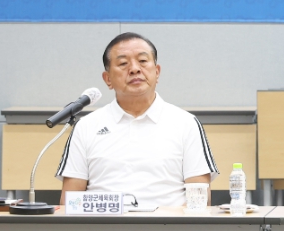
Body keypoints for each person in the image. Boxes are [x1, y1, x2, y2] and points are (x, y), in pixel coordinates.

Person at [57, 32, 219, 207]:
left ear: (157, 72)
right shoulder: (86, 127)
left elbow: (199, 201)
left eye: (142, 61)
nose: (134, 69)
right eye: (123, 63)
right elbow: (70, 203)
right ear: (108, 79)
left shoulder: (186, 124)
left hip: (168, 221)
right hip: (104, 221)